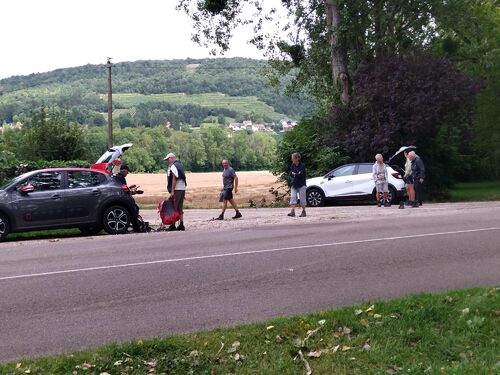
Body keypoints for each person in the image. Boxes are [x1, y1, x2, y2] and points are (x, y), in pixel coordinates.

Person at [113, 164, 142, 231]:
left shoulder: (117, 176)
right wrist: (133, 192)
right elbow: (124, 191)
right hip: (121, 198)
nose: (127, 173)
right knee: (135, 208)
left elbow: (122, 188)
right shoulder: (122, 178)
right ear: (124, 171)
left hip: (116, 197)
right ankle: (135, 225)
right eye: (127, 172)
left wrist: (130, 188)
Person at [164, 152, 187, 231]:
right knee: (180, 208)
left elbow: (174, 179)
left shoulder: (173, 166)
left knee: (174, 207)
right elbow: (184, 178)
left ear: (171, 158)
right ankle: (181, 224)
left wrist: (172, 191)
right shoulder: (180, 165)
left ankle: (173, 224)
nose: (167, 161)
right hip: (182, 189)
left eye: (167, 159)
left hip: (177, 189)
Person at [288, 152, 307, 217]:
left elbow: (301, 174)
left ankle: (303, 211)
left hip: (301, 184)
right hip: (294, 184)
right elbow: (290, 173)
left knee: (302, 199)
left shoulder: (302, 165)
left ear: (297, 158)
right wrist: (295, 174)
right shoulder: (292, 165)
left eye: (293, 158)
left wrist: (295, 174)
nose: (292, 159)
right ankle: (292, 211)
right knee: (293, 197)